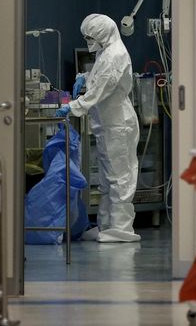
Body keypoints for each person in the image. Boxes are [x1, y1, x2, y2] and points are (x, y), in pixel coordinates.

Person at [55, 14, 141, 243]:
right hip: (107, 123)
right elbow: (99, 75)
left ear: (103, 34)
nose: (88, 42)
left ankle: (121, 229)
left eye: (91, 37)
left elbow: (102, 88)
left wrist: (73, 107)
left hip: (118, 124)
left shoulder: (115, 54)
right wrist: (83, 77)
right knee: (106, 178)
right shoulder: (106, 50)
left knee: (120, 178)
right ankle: (106, 226)